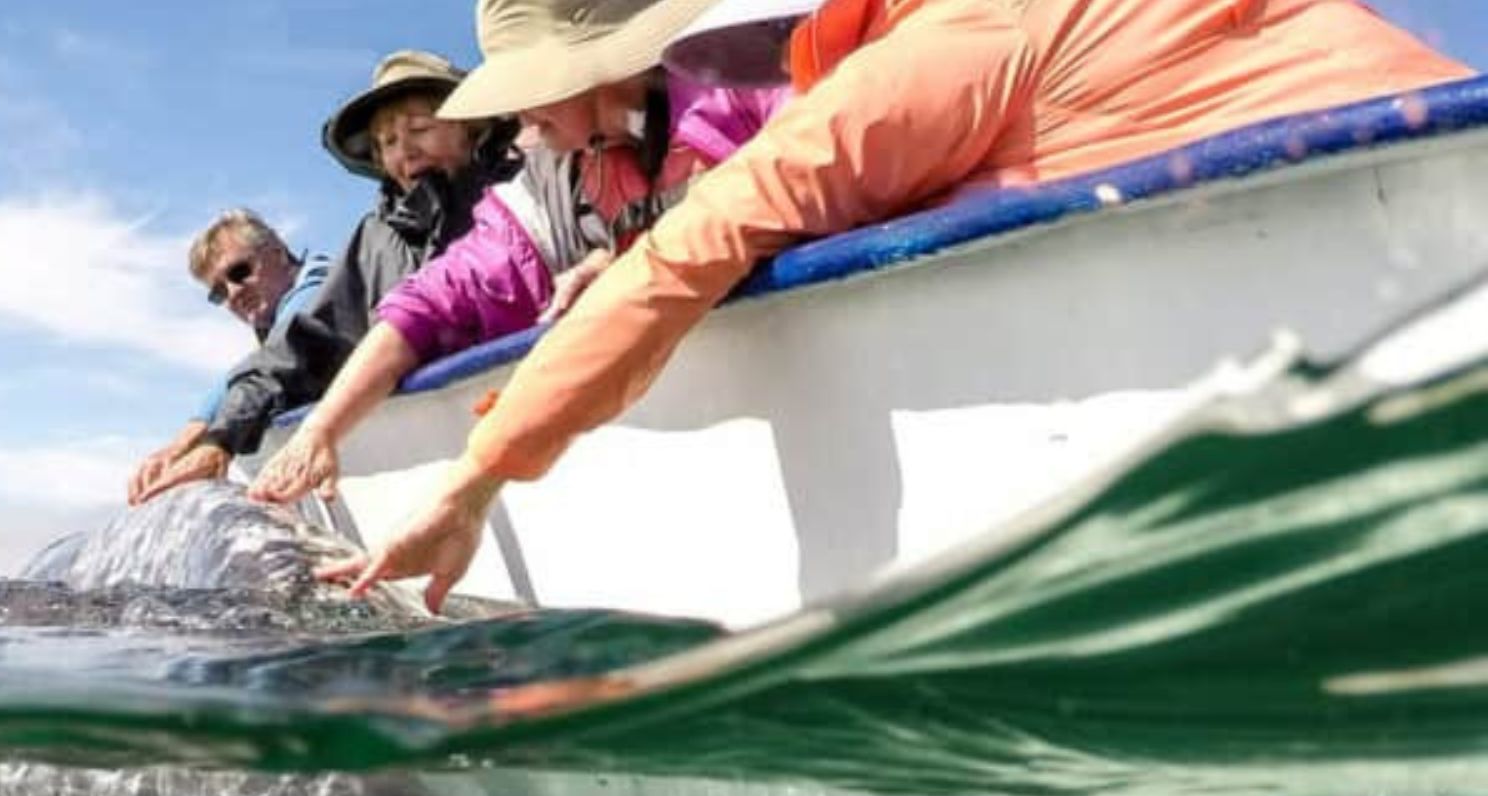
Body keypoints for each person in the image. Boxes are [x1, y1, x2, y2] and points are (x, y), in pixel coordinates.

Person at [325, 0, 1472, 611]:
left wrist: (475, 479)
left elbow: (689, 254)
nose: (762, 77)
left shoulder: (927, 51)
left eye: (767, 50)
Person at [248, 66, 781, 506]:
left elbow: (808, 163)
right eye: (388, 141)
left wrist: (623, 256)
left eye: (532, 87)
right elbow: (436, 298)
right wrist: (322, 429)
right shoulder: (541, 188)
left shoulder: (745, 70)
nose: (521, 119)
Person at [129, 51, 519, 506]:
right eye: (388, 142)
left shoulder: (524, 193)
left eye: (420, 129)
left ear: (470, 126)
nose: (404, 151)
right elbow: (302, 347)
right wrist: (221, 438)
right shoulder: (374, 238)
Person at [128, 212, 334, 498]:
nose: (233, 293)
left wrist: (213, 442)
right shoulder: (274, 335)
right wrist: (179, 447)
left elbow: (277, 355)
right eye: (219, 292)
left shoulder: (324, 285)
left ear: (277, 253)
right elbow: (258, 367)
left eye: (239, 272)